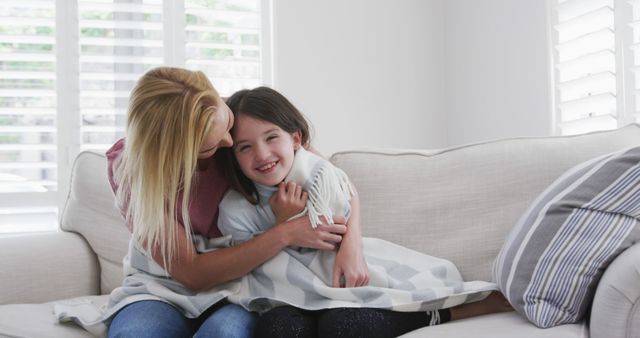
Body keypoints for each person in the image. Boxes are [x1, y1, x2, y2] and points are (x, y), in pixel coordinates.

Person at [217, 86, 513, 338]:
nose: (262, 154)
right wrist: (282, 225)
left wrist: (342, 241)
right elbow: (247, 267)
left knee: (344, 326)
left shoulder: (319, 176)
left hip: (337, 280)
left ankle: (445, 313)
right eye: (245, 147)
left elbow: (333, 226)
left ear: (295, 139)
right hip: (283, 296)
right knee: (279, 329)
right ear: (233, 154)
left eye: (271, 138)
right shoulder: (235, 208)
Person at [104, 67, 350, 338]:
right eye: (210, 146)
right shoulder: (131, 171)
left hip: (240, 285)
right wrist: (285, 232)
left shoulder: (233, 113)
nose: (230, 141)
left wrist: (352, 247)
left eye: (227, 123)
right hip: (161, 286)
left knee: (223, 333)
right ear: (176, 151)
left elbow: (333, 179)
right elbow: (193, 274)